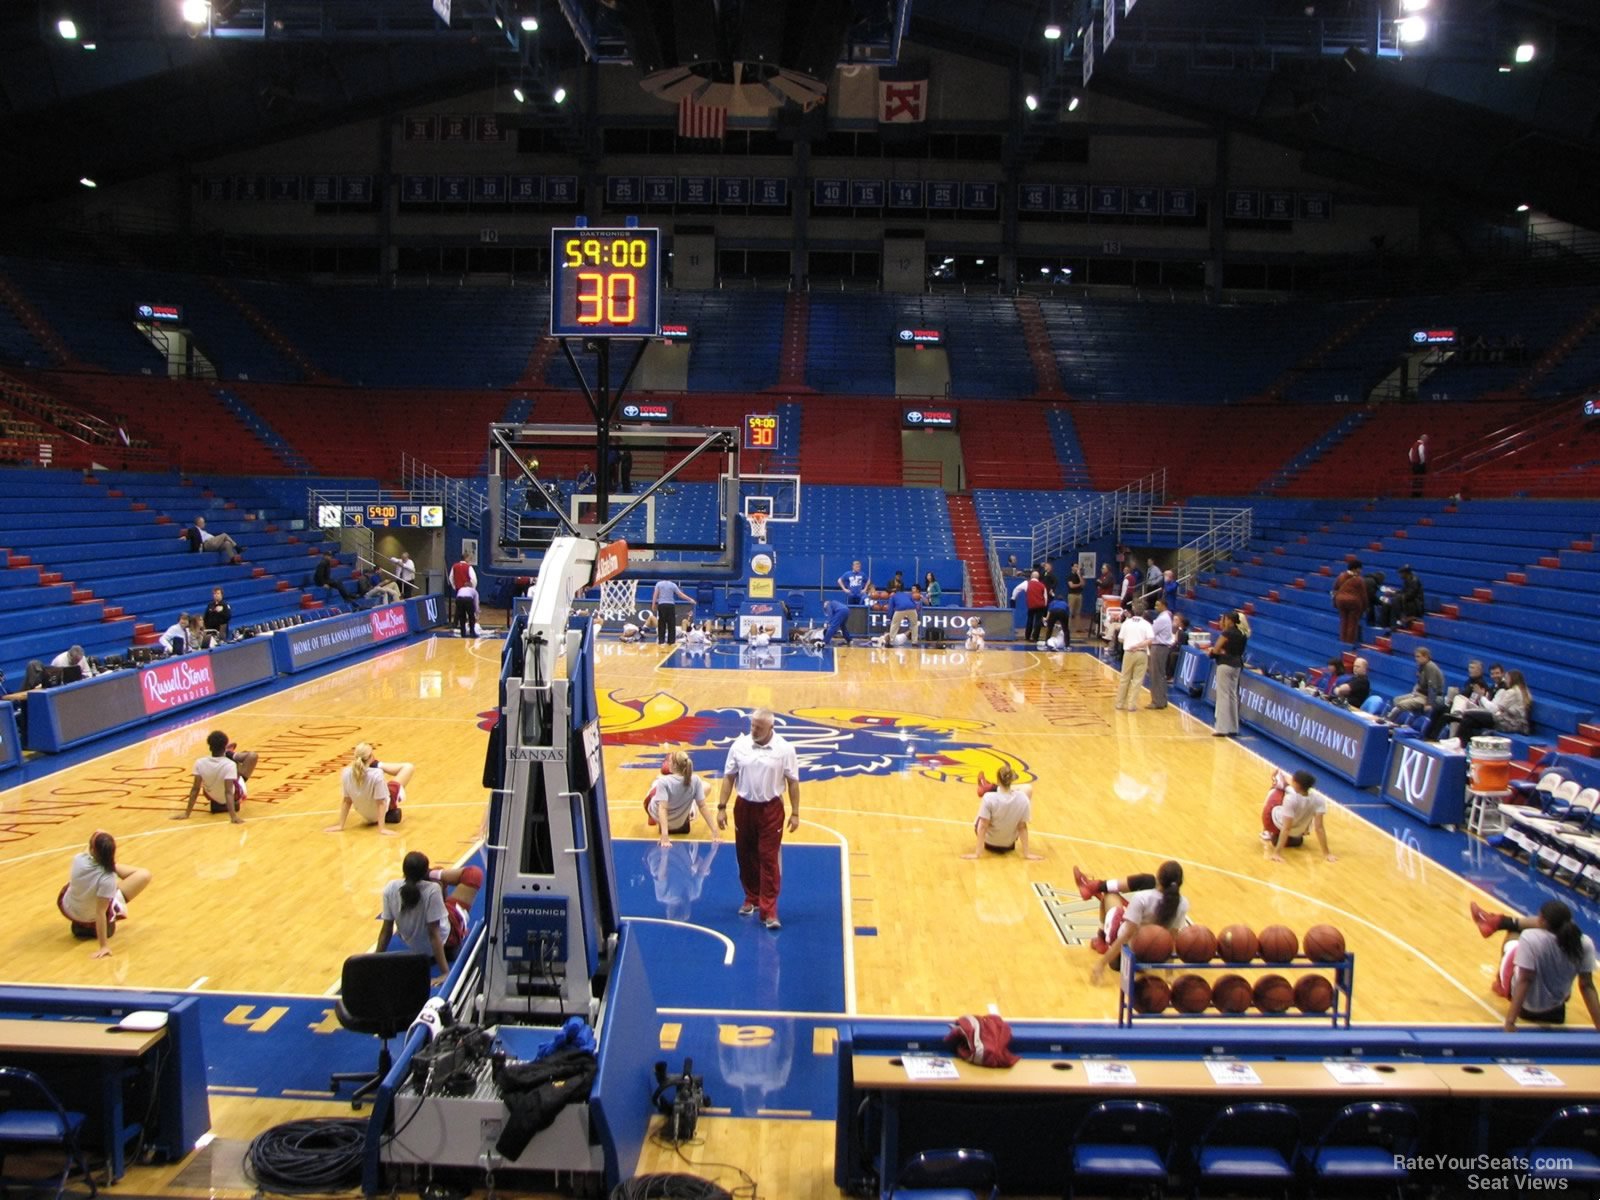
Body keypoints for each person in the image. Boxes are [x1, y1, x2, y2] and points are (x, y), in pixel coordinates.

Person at [717, 709, 800, 931]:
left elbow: (793, 782)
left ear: (770, 728)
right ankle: (751, 897)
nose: (753, 730)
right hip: (744, 806)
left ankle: (769, 910)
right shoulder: (739, 746)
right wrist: (722, 807)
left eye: (759, 727)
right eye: (752, 725)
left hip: (771, 809)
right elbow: (728, 777)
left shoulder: (785, 749)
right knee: (745, 855)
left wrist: (795, 813)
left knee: (768, 858)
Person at [1469, 900, 1600, 1030]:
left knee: (1514, 933)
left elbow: (1525, 980)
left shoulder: (1530, 938)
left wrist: (1510, 1021)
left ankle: (1501, 983)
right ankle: (1496, 922)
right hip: (1557, 1012)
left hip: (1526, 1010)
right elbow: (1587, 986)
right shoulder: (1585, 943)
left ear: (1542, 921)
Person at [1080, 859, 1189, 984]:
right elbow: (1173, 939)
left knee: (1110, 896)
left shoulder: (1142, 898)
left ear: (1158, 879)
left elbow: (1126, 935)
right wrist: (1169, 974)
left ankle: (1101, 939)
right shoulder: (1183, 904)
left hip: (1124, 959)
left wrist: (1101, 963)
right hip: (1155, 958)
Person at [378, 851, 485, 975]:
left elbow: (386, 930)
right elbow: (434, 934)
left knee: (438, 881)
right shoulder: (432, 890)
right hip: (449, 936)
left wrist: (373, 961)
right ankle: (434, 873)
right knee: (473, 874)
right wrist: (445, 973)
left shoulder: (390, 887)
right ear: (424, 872)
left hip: (416, 944)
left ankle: (435, 874)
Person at [58, 831, 152, 958]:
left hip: (68, 908)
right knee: (144, 874)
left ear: (92, 850)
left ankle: (81, 921)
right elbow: (100, 912)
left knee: (76, 885)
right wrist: (103, 946)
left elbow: (94, 837)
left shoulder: (79, 859)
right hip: (92, 917)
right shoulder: (108, 878)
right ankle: (90, 925)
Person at [961, 765, 1043, 860]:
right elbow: (1022, 827)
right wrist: (1027, 854)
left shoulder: (988, 797)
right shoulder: (1023, 798)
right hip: (1009, 844)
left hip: (989, 842)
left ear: (998, 780)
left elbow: (982, 826)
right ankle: (992, 787)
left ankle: (991, 787)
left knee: (984, 813)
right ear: (1012, 780)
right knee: (1027, 789)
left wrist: (977, 854)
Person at [176, 729, 257, 823]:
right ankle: (230, 754)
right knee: (248, 757)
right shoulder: (230, 765)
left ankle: (230, 753)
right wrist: (233, 817)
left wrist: (187, 813)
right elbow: (228, 792)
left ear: (210, 747)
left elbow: (195, 789)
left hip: (210, 794)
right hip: (235, 794)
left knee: (214, 778)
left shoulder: (199, 762)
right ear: (223, 746)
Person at [328, 742, 413, 831]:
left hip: (366, 815)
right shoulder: (377, 774)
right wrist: (382, 828)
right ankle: (378, 764)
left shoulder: (346, 772)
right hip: (380, 809)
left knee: (379, 786)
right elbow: (381, 802)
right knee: (408, 767)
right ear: (371, 756)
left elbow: (347, 801)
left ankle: (377, 765)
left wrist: (340, 825)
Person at [646, 751, 720, 847]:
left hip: (658, 815)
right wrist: (715, 831)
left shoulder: (663, 781)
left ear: (674, 766)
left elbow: (662, 808)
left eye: (669, 762)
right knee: (707, 786)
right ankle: (690, 804)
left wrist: (665, 836)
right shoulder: (695, 779)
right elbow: (703, 806)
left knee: (653, 788)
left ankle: (651, 816)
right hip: (681, 820)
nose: (668, 763)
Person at [1261, 768, 1337, 862]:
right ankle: (1284, 784)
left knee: (1274, 791)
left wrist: (1277, 853)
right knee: (1298, 837)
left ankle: (1266, 831)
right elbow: (1319, 828)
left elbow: (1286, 828)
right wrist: (1327, 854)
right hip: (1298, 831)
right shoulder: (1319, 799)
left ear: (1296, 783)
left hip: (1273, 821)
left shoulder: (1290, 799)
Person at [1448, 668, 1532, 743]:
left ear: (1512, 679)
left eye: (1507, 678)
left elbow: (1496, 709)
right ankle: (1463, 744)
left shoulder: (1512, 692)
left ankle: (1458, 743)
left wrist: (1481, 696)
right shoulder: (1525, 692)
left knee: (1468, 715)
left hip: (1508, 723)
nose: (1506, 681)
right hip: (1516, 723)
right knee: (1469, 720)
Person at [1208, 610, 1248, 736]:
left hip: (1225, 665)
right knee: (1232, 696)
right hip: (1237, 665)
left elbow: (1216, 649)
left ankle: (1221, 728)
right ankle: (1233, 727)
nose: (1222, 621)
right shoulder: (1242, 633)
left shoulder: (1227, 633)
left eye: (1224, 619)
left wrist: (1214, 652)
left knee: (1223, 696)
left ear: (1230, 620)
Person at [1386, 646, 1446, 724]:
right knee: (1396, 700)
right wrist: (1415, 691)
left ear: (1426, 657)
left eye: (1418, 656)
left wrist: (1429, 704)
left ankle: (1388, 722)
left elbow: (1432, 687)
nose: (1416, 658)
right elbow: (1419, 683)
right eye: (1415, 656)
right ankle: (1399, 723)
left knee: (1402, 704)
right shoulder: (1422, 667)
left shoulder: (1430, 667)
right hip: (1420, 694)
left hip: (1430, 698)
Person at [1115, 602, 1153, 712]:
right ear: (1144, 612)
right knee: (1137, 680)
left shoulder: (1127, 623)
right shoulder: (1146, 624)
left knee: (1124, 678)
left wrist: (1130, 642)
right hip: (1141, 653)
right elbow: (1150, 640)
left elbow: (1120, 639)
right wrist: (1138, 645)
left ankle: (1119, 703)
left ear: (1133, 610)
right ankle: (1131, 705)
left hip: (1128, 652)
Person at [1147, 597, 1175, 709]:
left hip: (1158, 647)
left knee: (1156, 675)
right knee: (1160, 674)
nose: (1155, 607)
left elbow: (1151, 632)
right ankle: (1162, 700)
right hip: (1162, 648)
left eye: (1157, 605)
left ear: (1163, 606)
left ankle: (1157, 701)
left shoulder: (1162, 618)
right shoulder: (1167, 616)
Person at [1332, 558, 1367, 646]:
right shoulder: (1359, 579)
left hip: (1340, 601)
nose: (1361, 571)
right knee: (1352, 624)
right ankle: (1349, 644)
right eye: (1360, 569)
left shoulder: (1340, 576)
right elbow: (1363, 595)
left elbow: (1335, 589)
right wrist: (1365, 607)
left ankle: (1342, 642)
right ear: (1355, 568)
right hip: (1353, 602)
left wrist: (1335, 602)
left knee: (1344, 622)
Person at [651, 578, 694, 645]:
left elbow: (655, 594)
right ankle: (671, 641)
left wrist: (653, 604)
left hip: (662, 605)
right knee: (671, 623)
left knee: (661, 623)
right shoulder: (673, 585)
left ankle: (661, 641)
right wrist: (690, 599)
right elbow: (680, 594)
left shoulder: (658, 584)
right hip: (670, 605)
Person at [1023, 571, 1047, 643]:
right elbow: (1045, 597)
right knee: (1038, 621)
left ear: (1031, 576)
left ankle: (1027, 636)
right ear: (1038, 577)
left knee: (1030, 620)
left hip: (1031, 605)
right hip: (1040, 606)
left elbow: (1016, 589)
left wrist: (1013, 598)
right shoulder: (1042, 585)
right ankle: (1035, 637)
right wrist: (1044, 605)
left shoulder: (1027, 583)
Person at [1066, 563, 1085, 630]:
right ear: (1072, 567)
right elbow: (1071, 586)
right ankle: (1067, 627)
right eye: (1075, 566)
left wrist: (1079, 575)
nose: (1077, 568)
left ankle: (1078, 628)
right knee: (1070, 612)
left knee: (1078, 612)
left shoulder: (1079, 575)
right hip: (1072, 595)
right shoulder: (1069, 576)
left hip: (1079, 595)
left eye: (1077, 567)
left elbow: (1083, 584)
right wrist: (1079, 584)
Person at [1409, 433, 1428, 498]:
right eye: (1426, 439)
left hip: (1414, 464)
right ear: (1423, 438)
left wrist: (1412, 461)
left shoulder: (1414, 445)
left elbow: (1410, 453)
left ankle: (1414, 494)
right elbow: (1421, 453)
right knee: (1420, 479)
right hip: (1419, 465)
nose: (1427, 440)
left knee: (1415, 479)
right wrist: (1422, 461)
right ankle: (1418, 494)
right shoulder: (1421, 445)